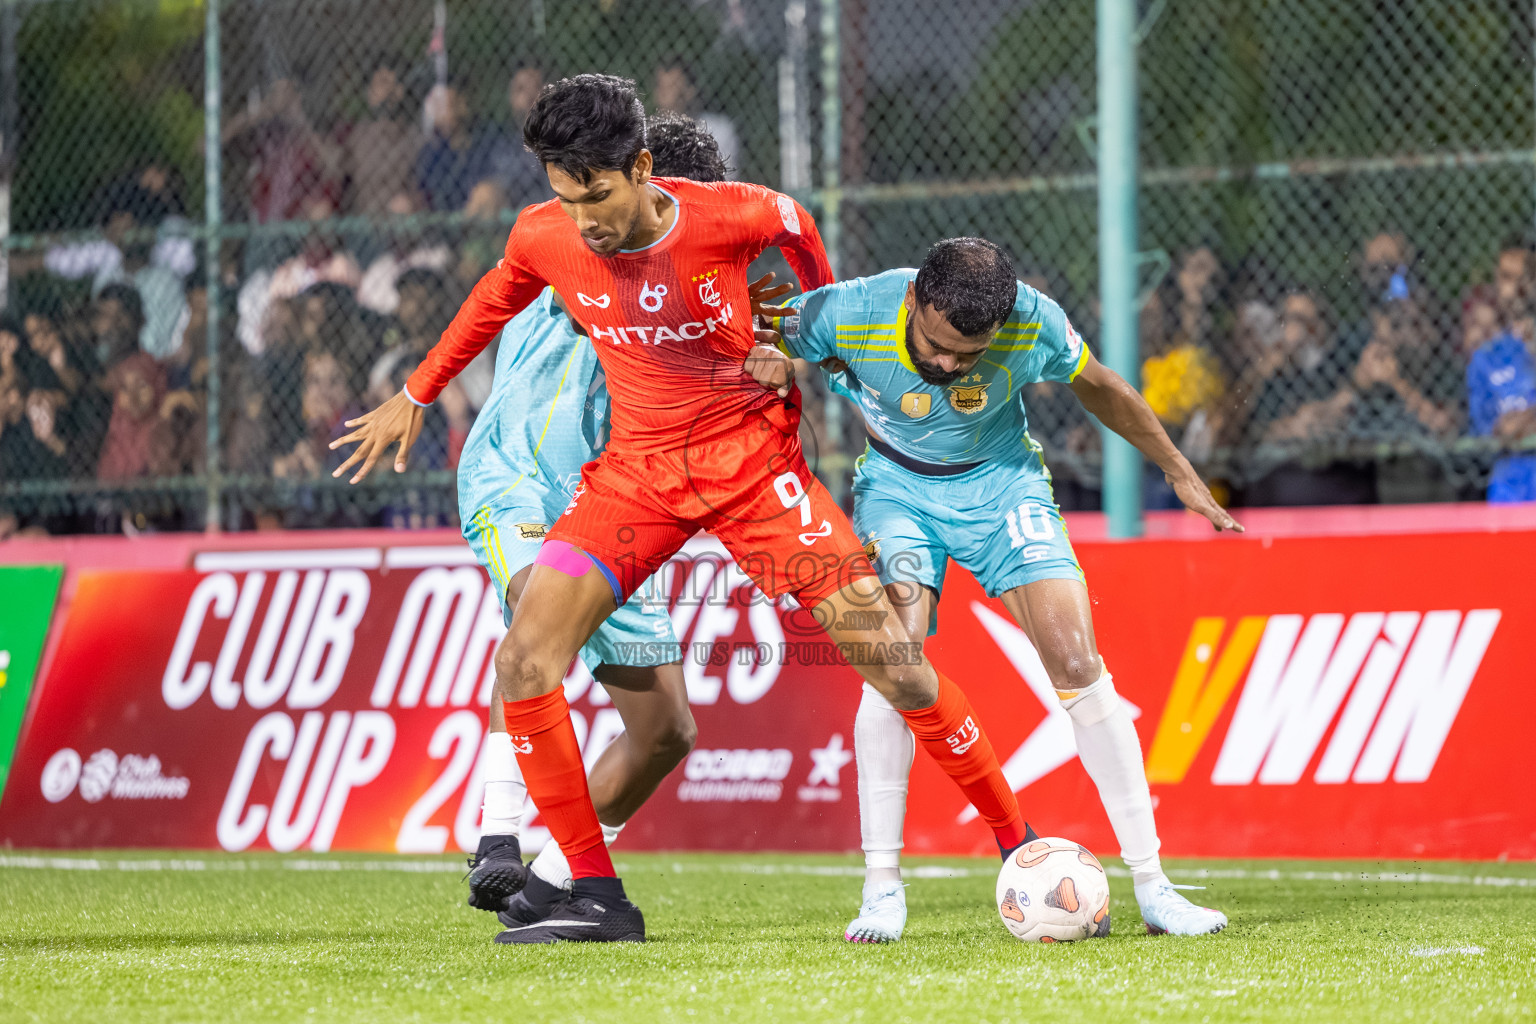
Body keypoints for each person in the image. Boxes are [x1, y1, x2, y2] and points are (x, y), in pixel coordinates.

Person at [332, 75, 1035, 945]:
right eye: (565, 195)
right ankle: (593, 891)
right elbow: (490, 300)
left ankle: (1021, 844)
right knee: (525, 660)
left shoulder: (731, 215)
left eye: (598, 193)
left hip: (754, 475)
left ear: (640, 166)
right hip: (638, 481)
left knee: (896, 663)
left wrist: (797, 335)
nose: (584, 217)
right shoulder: (545, 236)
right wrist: (416, 390)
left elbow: (801, 232)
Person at [762, 238, 1236, 941]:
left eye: (969, 355)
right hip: (895, 489)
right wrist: (766, 355)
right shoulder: (849, 309)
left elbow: (1100, 385)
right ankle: (881, 889)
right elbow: (747, 330)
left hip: (1004, 485)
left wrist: (1175, 469)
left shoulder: (1033, 322)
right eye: (939, 345)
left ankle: (1155, 886)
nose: (951, 366)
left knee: (1079, 664)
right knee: (895, 664)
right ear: (916, 300)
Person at [458, 110, 753, 925]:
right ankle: (498, 832)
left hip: (616, 495)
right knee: (534, 617)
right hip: (516, 472)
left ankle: (550, 880)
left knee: (667, 731)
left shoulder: (693, 265)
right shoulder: (580, 239)